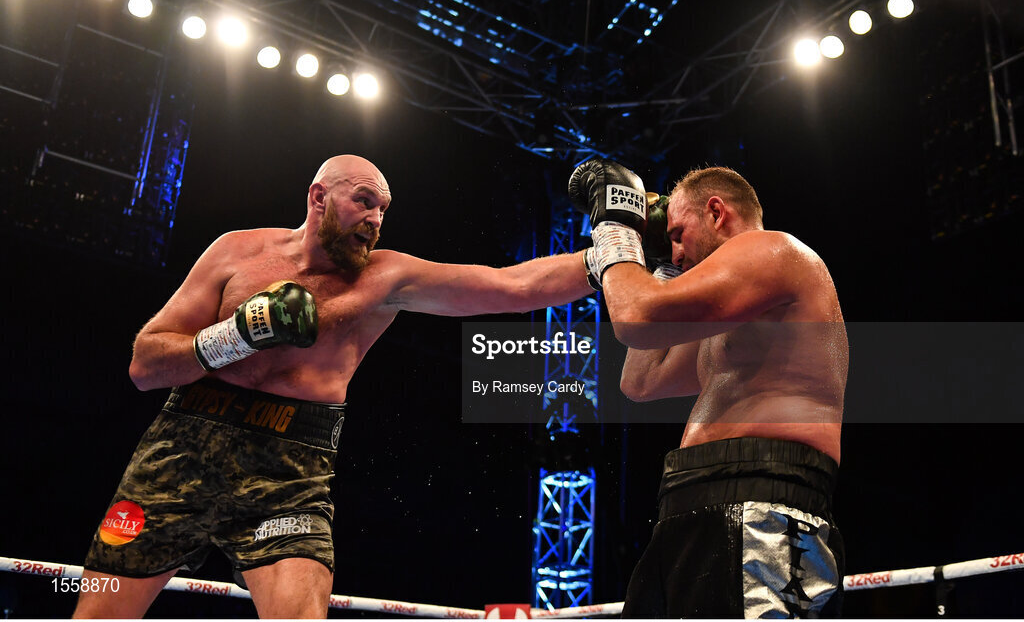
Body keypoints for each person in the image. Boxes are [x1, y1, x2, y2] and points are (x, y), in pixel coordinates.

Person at [74, 155, 594, 619]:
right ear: (318, 197)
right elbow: (145, 365)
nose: (374, 220)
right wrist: (234, 337)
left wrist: (614, 248)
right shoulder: (236, 251)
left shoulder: (386, 277)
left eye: (383, 210)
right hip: (179, 448)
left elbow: (515, 287)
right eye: (364, 201)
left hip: (288, 469)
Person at [569, 159, 847, 618]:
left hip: (764, 499)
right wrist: (657, 264)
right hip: (693, 497)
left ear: (717, 213)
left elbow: (637, 319)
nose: (675, 252)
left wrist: (617, 228)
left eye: (677, 234)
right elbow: (639, 380)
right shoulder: (729, 324)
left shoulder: (774, 251)